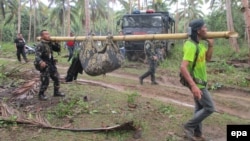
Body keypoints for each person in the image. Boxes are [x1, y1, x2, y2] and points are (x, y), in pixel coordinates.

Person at [180, 19, 215, 141]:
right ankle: (188, 126)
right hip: (197, 83)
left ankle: (198, 133)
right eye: (204, 27)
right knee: (210, 108)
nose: (206, 29)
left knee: (199, 108)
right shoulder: (190, 45)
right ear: (198, 30)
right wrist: (194, 86)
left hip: (201, 81)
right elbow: (183, 67)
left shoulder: (200, 44)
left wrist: (210, 45)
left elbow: (208, 58)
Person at [35, 30, 65, 100]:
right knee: (45, 80)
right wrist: (40, 62)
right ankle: (41, 94)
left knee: (57, 78)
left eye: (48, 34)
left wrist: (57, 43)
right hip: (45, 65)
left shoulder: (50, 43)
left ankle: (56, 92)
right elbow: (37, 56)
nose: (48, 35)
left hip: (51, 64)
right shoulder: (40, 45)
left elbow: (57, 49)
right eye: (46, 34)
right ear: (42, 36)